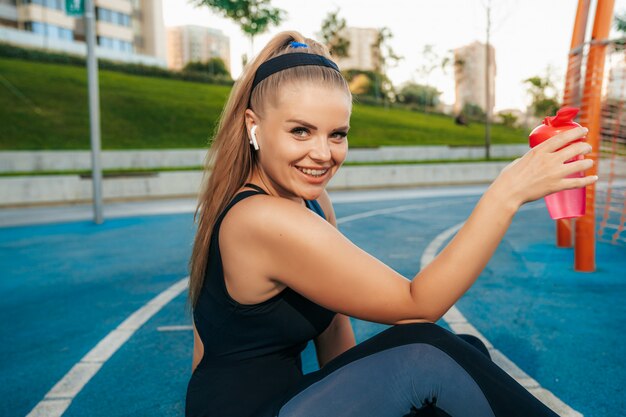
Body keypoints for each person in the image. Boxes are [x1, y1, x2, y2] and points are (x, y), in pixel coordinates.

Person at [185, 31, 596, 417]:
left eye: (337, 134)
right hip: (248, 410)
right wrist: (508, 191)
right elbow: (419, 303)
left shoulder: (308, 201)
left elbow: (333, 326)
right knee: (427, 355)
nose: (322, 153)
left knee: (462, 351)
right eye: (300, 131)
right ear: (254, 126)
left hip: (291, 399)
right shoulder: (260, 217)